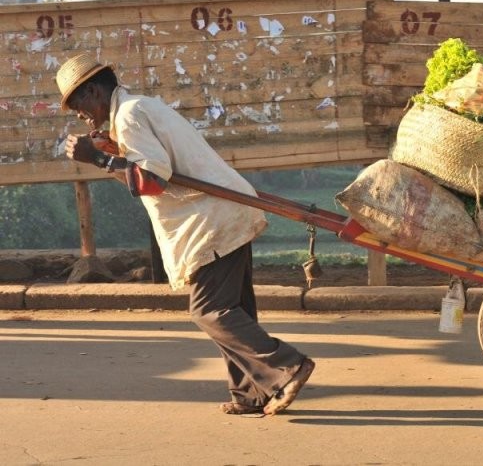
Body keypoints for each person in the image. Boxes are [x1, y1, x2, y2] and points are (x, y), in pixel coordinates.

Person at [56, 53, 315, 416]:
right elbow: (154, 168)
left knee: (211, 310)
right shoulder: (137, 109)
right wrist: (111, 152)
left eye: (77, 103)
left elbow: (153, 178)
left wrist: (99, 159)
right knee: (234, 310)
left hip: (209, 221)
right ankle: (252, 392)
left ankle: (287, 367)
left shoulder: (129, 116)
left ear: (96, 92)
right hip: (222, 213)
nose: (79, 115)